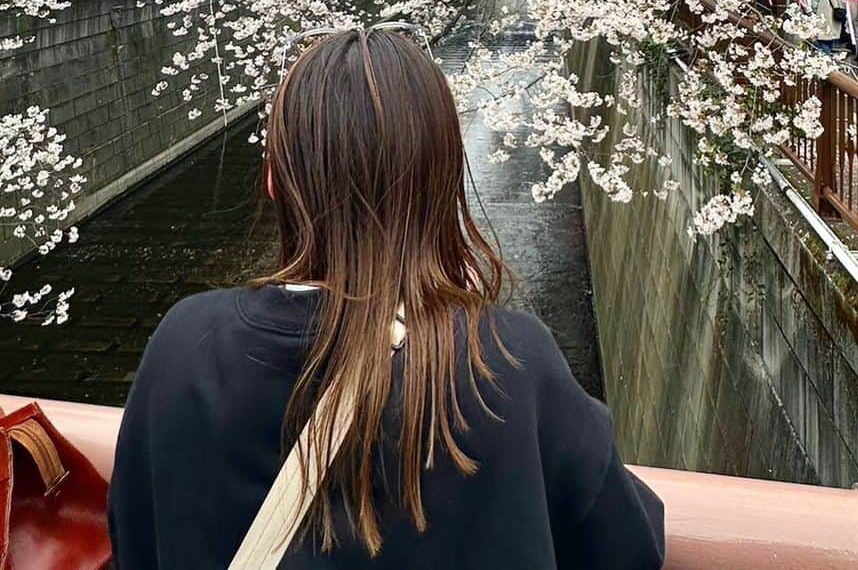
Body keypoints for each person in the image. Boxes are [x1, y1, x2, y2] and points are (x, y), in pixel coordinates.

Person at [108, 29, 665, 569]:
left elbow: (134, 536)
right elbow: (627, 545)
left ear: (275, 180)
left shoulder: (182, 343)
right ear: (444, 182)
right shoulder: (509, 360)